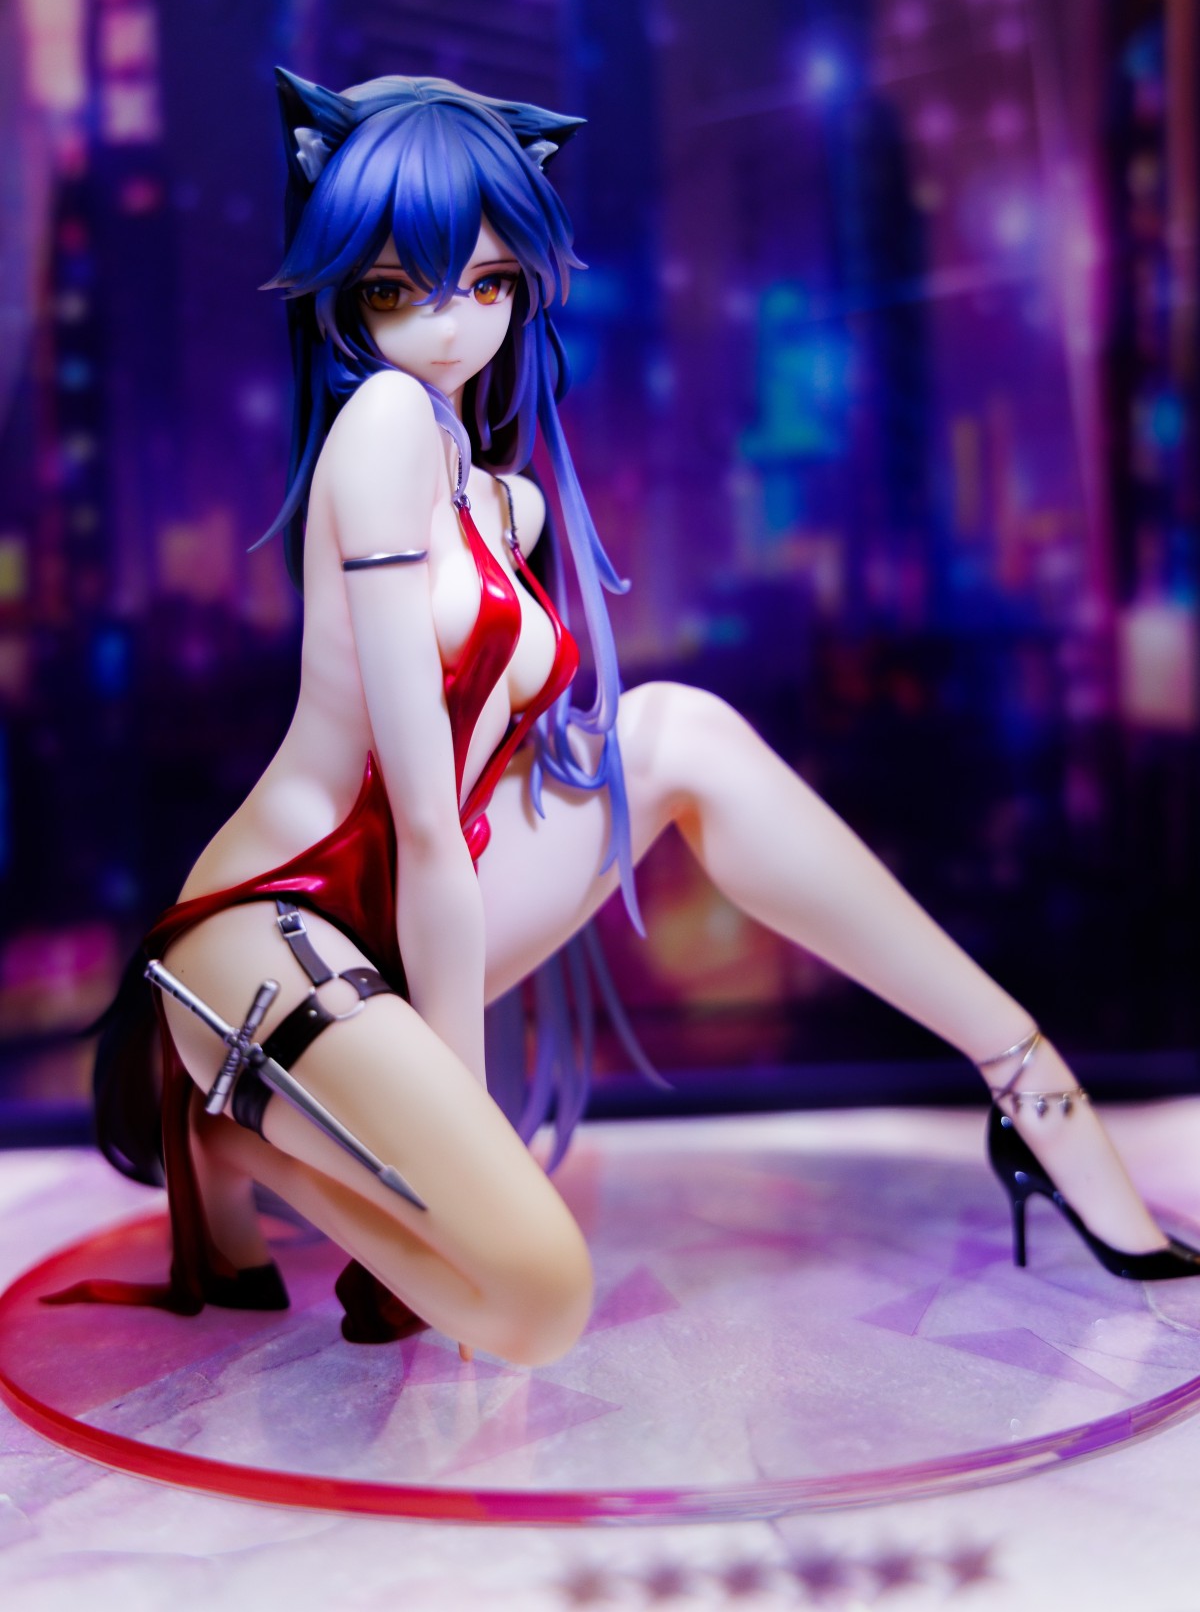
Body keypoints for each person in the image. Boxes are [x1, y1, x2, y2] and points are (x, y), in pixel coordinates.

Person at [84, 70, 1200, 1369]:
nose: (448, 327)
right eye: (397, 290)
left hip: (404, 905)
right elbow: (427, 824)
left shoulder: (498, 498)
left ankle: (1028, 1078)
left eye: (486, 285)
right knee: (534, 1297)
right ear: (344, 292)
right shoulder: (381, 426)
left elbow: (474, 792)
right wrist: (468, 1128)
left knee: (679, 731)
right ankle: (233, 1133)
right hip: (277, 925)